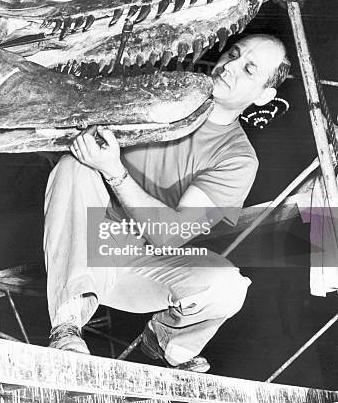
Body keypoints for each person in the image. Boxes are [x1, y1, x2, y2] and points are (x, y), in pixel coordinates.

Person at [43, 33, 290, 372]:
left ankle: (165, 340)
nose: (230, 66)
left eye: (249, 69)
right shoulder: (158, 99)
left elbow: (170, 235)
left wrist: (115, 171)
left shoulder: (237, 158)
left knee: (227, 286)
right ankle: (67, 324)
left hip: (147, 267)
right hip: (85, 249)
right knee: (73, 166)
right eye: (233, 54)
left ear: (264, 96)